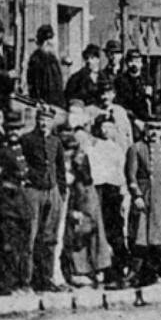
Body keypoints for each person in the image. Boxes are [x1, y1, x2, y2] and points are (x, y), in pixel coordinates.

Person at [124, 118, 161, 286]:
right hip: (145, 195)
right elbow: (131, 175)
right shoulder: (136, 148)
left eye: (158, 129)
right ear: (145, 130)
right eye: (151, 128)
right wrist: (137, 196)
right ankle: (136, 271)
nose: (155, 132)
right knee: (141, 234)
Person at [0, 108, 32, 296]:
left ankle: (18, 282)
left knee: (20, 245)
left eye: (17, 129)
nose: (14, 133)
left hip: (21, 204)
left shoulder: (23, 150)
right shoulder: (0, 151)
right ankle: (4, 284)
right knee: (6, 245)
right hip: (5, 203)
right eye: (11, 129)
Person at [19, 105, 66, 292]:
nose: (43, 123)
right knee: (29, 237)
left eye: (47, 120)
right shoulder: (27, 139)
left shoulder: (56, 141)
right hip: (33, 191)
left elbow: (60, 167)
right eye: (41, 119)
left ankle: (45, 279)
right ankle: (26, 280)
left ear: (52, 122)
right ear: (36, 120)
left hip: (52, 191)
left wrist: (61, 192)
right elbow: (20, 163)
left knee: (49, 238)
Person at [62, 113, 112, 287]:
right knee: (78, 227)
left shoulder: (88, 145)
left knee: (90, 225)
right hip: (76, 189)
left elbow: (86, 169)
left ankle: (97, 267)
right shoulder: (68, 144)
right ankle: (80, 269)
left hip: (86, 187)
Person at [86, 113, 128, 286]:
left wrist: (123, 191)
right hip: (98, 189)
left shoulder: (116, 149)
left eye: (109, 127)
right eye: (103, 127)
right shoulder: (93, 147)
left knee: (115, 228)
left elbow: (122, 171)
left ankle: (118, 269)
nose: (105, 131)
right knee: (98, 227)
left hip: (113, 190)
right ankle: (98, 269)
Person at [26, 25, 64, 107]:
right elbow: (35, 85)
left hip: (55, 103)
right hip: (44, 104)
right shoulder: (36, 59)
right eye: (48, 40)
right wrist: (39, 101)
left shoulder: (52, 58)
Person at [114, 49, 153, 123]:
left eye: (137, 61)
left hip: (145, 117)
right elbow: (120, 103)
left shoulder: (147, 80)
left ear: (141, 63)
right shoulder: (120, 80)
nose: (134, 64)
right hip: (127, 117)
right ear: (127, 63)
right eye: (131, 61)